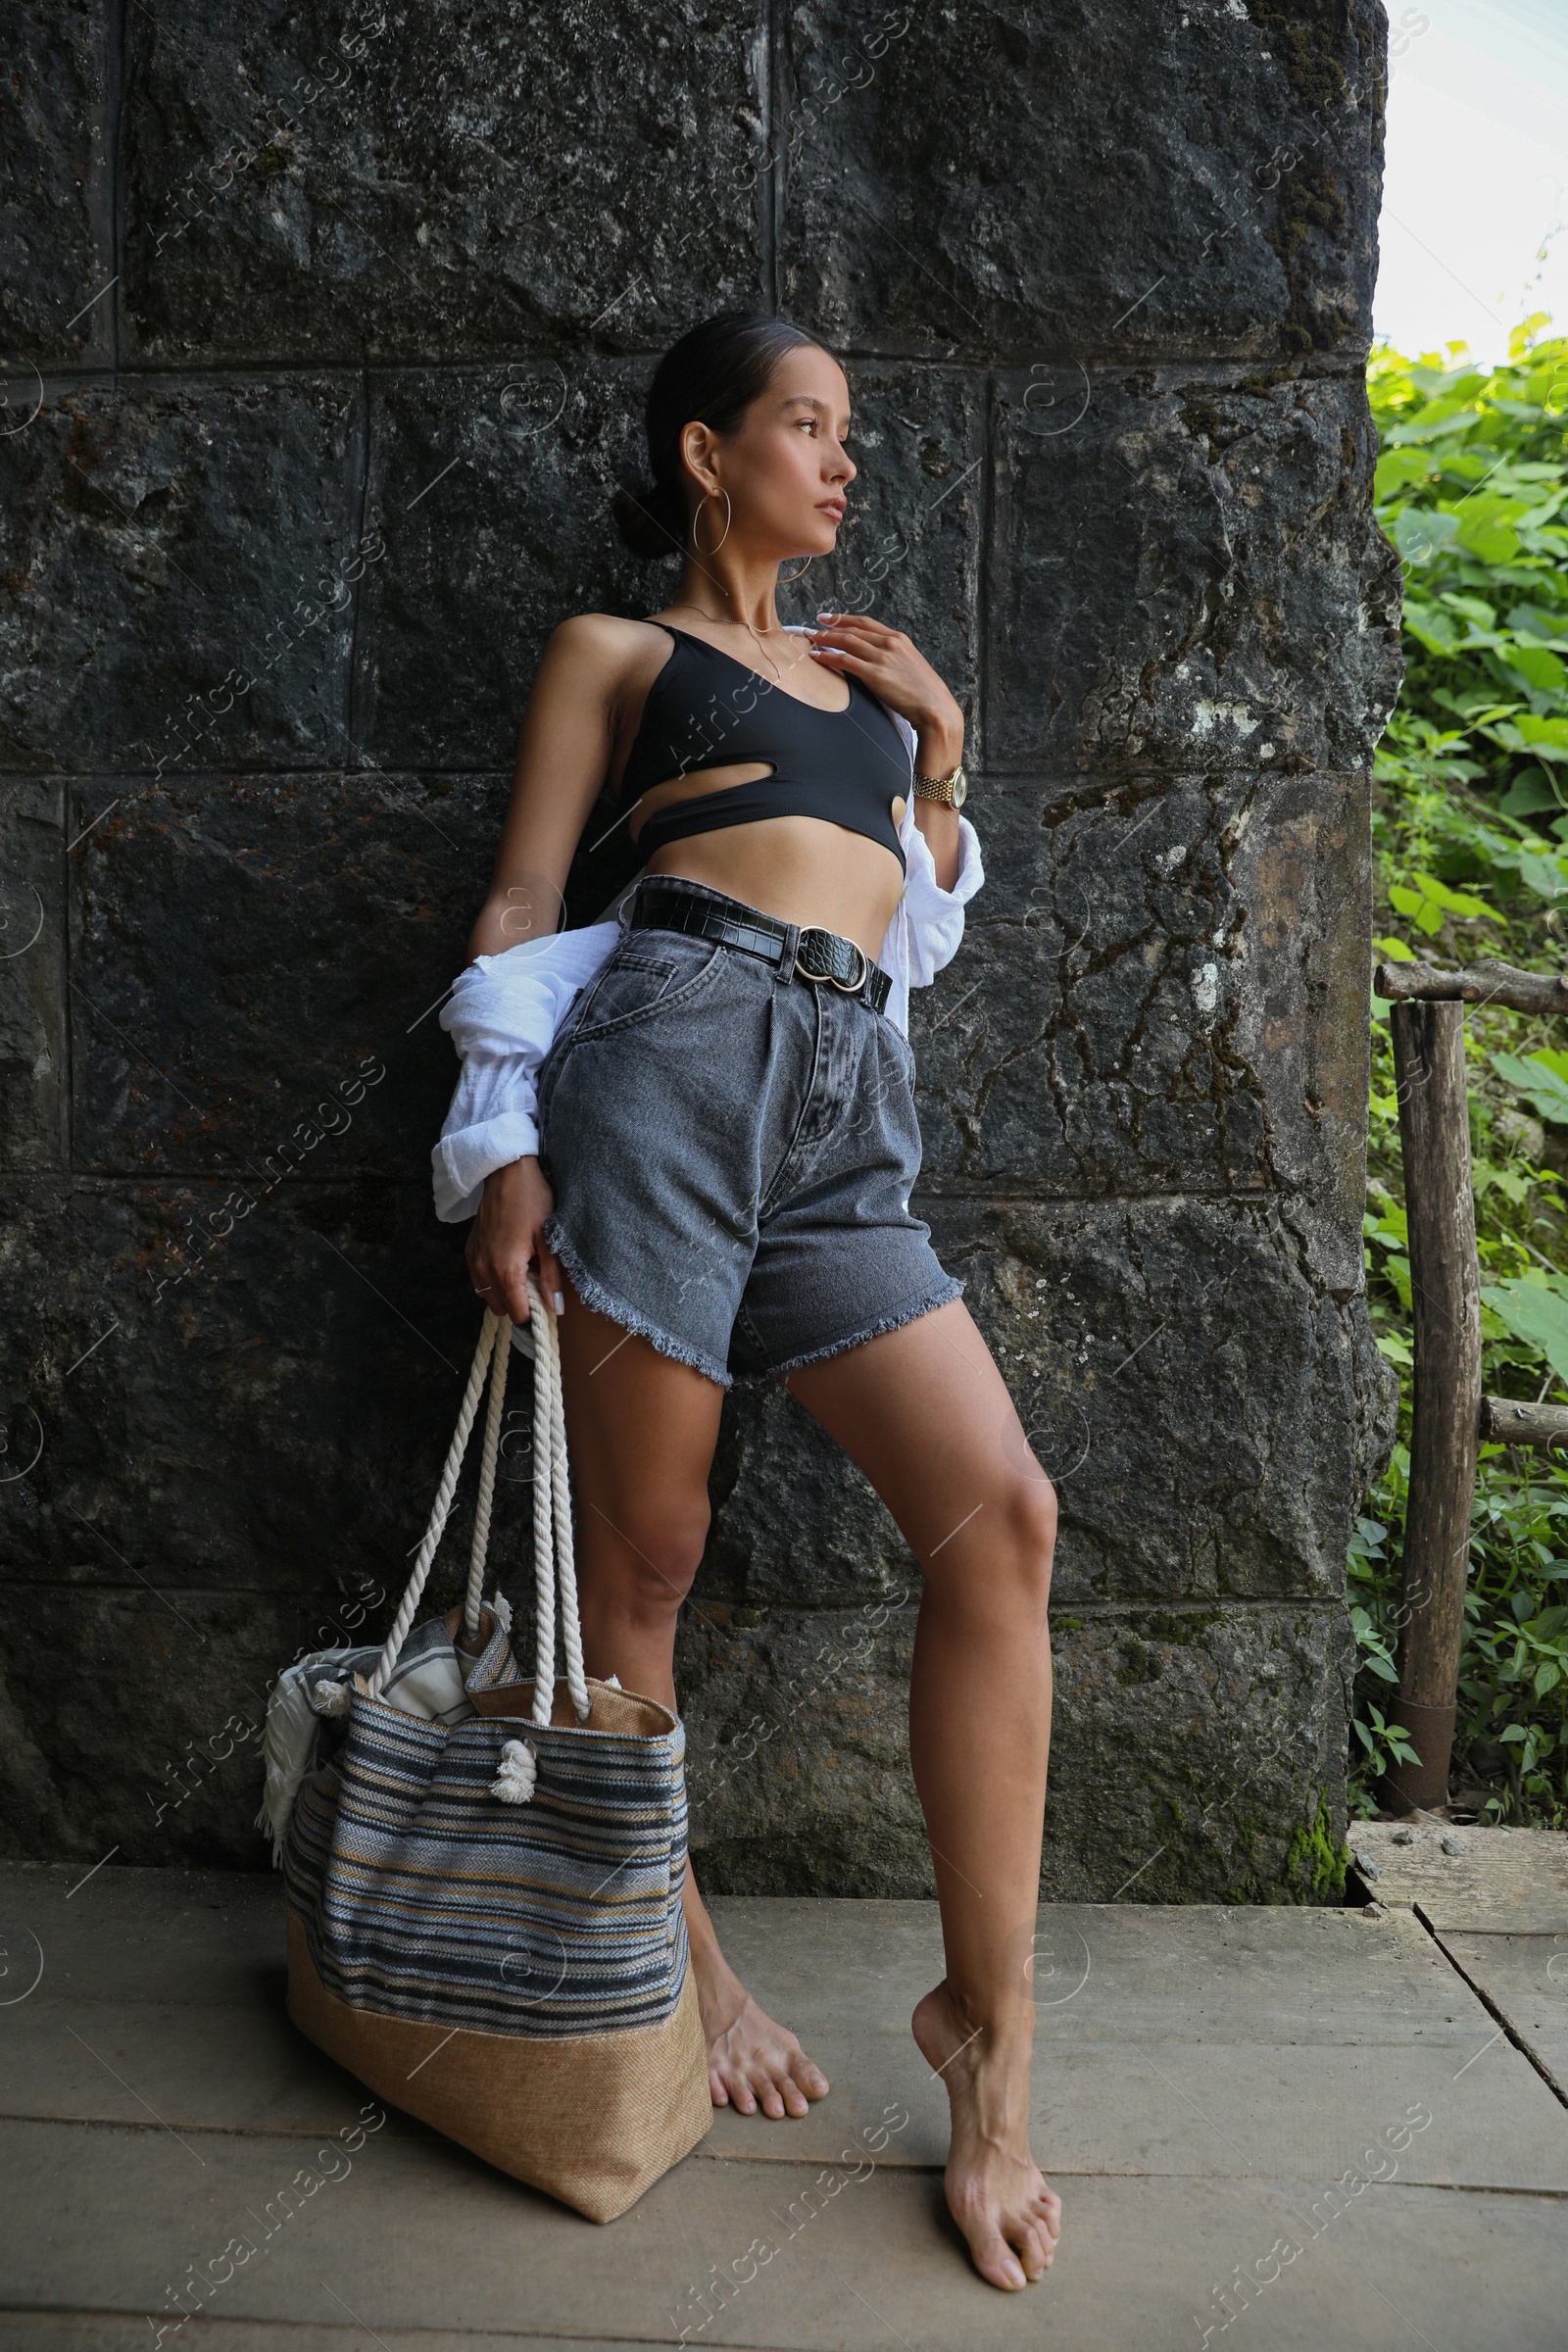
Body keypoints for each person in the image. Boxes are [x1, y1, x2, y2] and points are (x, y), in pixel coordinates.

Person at [432, 311, 1060, 2291]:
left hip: (843, 1106)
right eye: (805, 425)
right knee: (648, 1553)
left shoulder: (863, 688)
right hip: (667, 1061)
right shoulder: (620, 656)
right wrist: (497, 1147)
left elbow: (909, 926)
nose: (841, 458)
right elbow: (525, 913)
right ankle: (683, 1964)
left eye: (849, 430)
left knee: (1002, 1520)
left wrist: (940, 753)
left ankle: (986, 2035)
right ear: (705, 454)